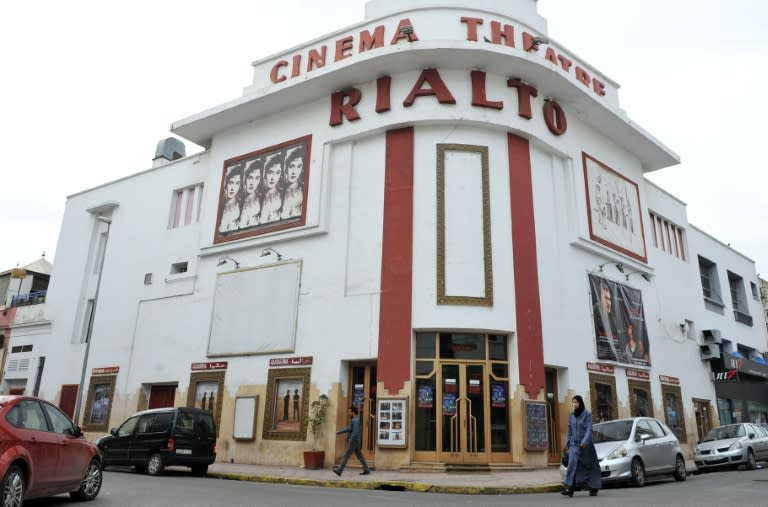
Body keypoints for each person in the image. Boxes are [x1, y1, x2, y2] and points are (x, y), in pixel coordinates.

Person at [562, 395, 601, 497]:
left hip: (586, 446)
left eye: (576, 402)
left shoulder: (587, 415)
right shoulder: (571, 415)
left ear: (580, 402)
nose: (574, 404)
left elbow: (589, 429)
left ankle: (593, 487)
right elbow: (570, 431)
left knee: (589, 467)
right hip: (574, 445)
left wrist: (584, 441)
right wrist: (567, 444)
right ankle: (569, 488)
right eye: (573, 402)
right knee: (572, 465)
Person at [333, 406, 371, 476]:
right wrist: (340, 431)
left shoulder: (355, 420)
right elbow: (349, 428)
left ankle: (339, 470)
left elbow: (355, 432)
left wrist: (351, 440)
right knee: (360, 456)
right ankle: (366, 470)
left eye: (349, 411)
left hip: (353, 441)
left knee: (346, 455)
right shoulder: (354, 419)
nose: (348, 413)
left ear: (353, 412)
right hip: (355, 441)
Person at [593, 281, 623, 362]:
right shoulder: (596, 310)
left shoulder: (612, 316)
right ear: (600, 298)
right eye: (606, 298)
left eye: (609, 299)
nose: (609, 303)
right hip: (600, 352)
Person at [280, 145, 305, 220]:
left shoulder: (303, 190)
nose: (294, 171)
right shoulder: (280, 190)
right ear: (286, 167)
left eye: (299, 166)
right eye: (291, 166)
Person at [219, 163, 243, 233]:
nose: (233, 188)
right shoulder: (220, 204)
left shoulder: (240, 205)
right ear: (226, 184)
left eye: (237, 183)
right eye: (231, 182)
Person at [239, 157, 263, 228]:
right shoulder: (239, 201)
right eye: (250, 178)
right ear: (245, 179)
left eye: (257, 178)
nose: (252, 183)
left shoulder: (260, 200)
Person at [260, 152, 284, 224]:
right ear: (265, 173)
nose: (273, 178)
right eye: (270, 172)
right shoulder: (259, 195)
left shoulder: (281, 195)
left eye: (277, 173)